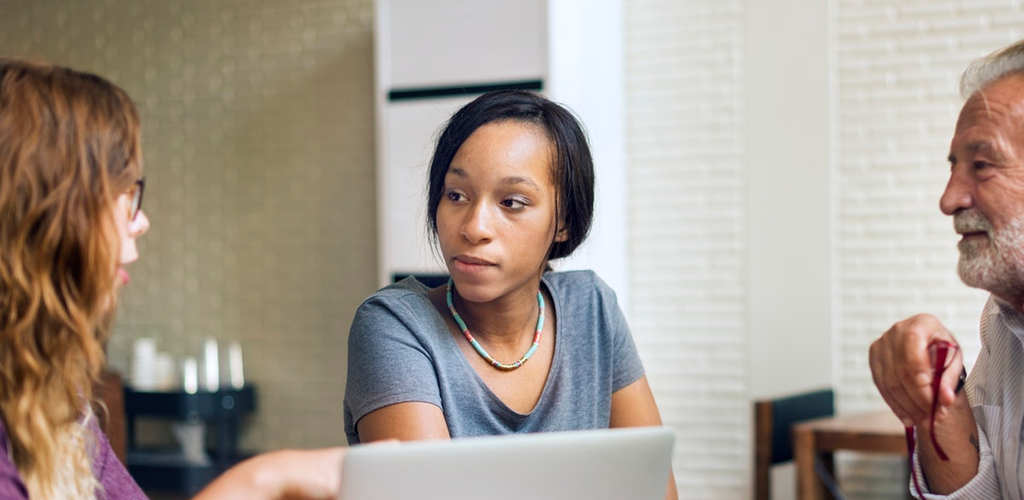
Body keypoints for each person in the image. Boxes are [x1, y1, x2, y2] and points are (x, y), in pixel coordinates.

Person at [0, 58, 345, 500]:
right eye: (124, 194)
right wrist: (261, 479)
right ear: (50, 211)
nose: (140, 221)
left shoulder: (58, 402)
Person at [343, 90, 677, 498]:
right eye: (456, 195)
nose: (474, 227)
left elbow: (656, 490)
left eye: (512, 202)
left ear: (564, 221)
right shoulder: (394, 327)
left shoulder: (592, 307)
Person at [869, 39, 1024, 498]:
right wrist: (940, 402)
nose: (948, 199)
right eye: (954, 167)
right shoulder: (1004, 320)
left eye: (982, 164)